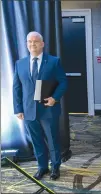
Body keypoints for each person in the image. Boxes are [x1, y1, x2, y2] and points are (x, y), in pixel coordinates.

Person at [13, 31, 68, 180]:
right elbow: (16, 88)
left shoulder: (53, 61)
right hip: (29, 110)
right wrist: (18, 109)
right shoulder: (20, 63)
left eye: (35, 41)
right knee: (36, 141)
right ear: (26, 44)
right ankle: (42, 167)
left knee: (52, 140)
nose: (32, 44)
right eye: (29, 42)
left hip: (48, 109)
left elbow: (63, 82)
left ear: (42, 44)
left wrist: (55, 98)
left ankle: (55, 167)